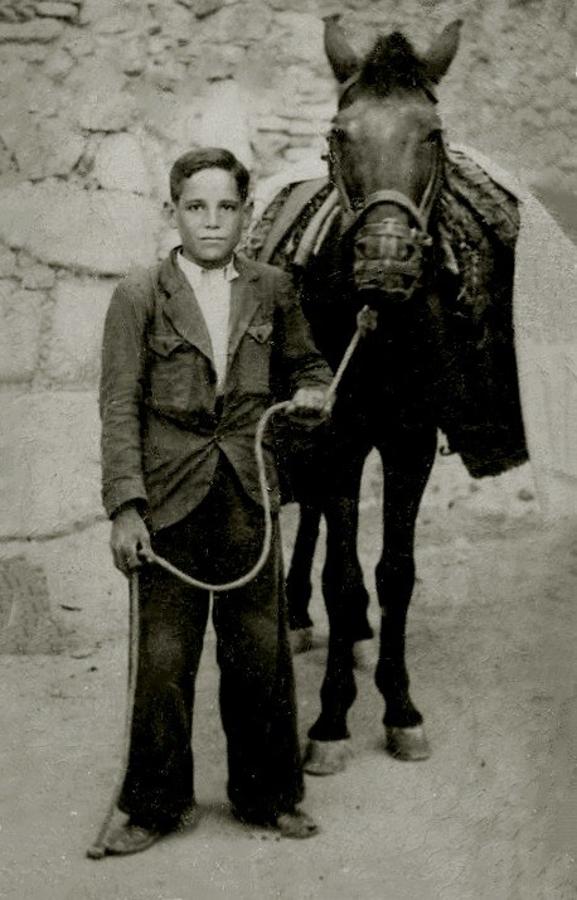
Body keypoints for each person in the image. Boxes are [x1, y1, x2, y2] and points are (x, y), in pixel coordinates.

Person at [98, 147, 332, 855]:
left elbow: (308, 363)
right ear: (173, 211)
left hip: (246, 495)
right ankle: (154, 806)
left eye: (226, 207)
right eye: (196, 207)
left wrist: (314, 390)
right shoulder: (139, 294)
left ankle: (268, 796)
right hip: (167, 501)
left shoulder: (272, 288)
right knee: (163, 659)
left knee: (259, 652)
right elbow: (118, 406)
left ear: (246, 214)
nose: (211, 221)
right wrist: (126, 508)